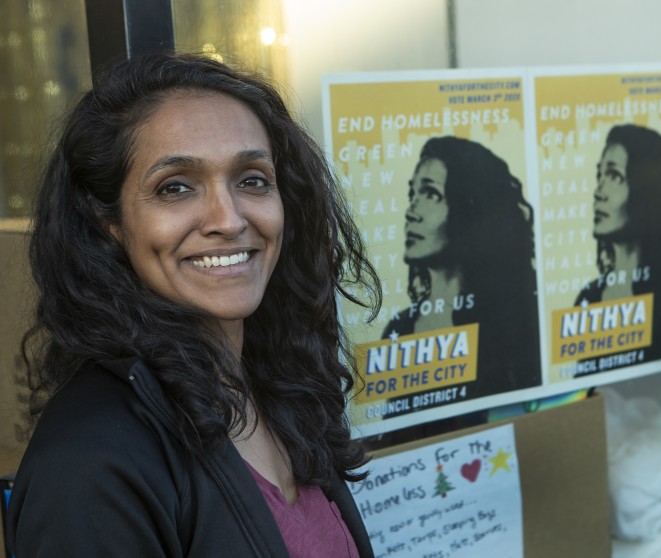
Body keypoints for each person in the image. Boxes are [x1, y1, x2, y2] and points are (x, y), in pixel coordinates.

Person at [6, 52, 380, 557]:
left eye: (252, 179)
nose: (228, 219)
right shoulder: (90, 464)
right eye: (175, 187)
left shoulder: (273, 390)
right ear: (108, 223)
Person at [383, 136, 541, 402]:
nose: (412, 211)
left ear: (471, 209)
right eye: (413, 194)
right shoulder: (399, 329)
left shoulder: (517, 322)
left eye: (431, 194)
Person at [574, 124, 661, 368]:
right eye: (599, 175)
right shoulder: (588, 300)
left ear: (647, 192)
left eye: (614, 176)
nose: (599, 192)